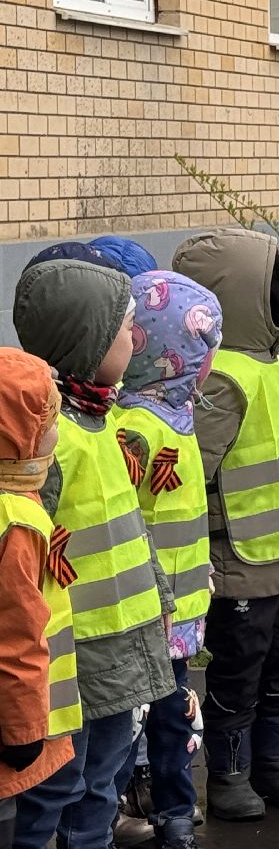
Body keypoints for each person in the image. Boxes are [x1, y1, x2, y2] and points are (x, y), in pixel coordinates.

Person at [11, 260, 174, 849]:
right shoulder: (52, 442)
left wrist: (159, 597)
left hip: (120, 642)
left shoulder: (106, 420)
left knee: (102, 776)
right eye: (126, 326)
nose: (138, 339)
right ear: (87, 338)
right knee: (58, 782)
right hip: (71, 654)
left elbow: (131, 526)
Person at [171, 230, 279, 819]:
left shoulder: (266, 364)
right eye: (278, 286)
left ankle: (276, 764)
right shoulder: (221, 378)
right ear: (247, 296)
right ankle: (232, 775)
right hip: (240, 564)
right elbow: (194, 473)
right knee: (240, 672)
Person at [112, 272, 223, 849]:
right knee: (147, 714)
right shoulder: (136, 430)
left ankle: (168, 811)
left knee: (161, 713)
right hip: (147, 609)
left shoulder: (164, 419)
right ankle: (154, 809)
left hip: (167, 607)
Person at [0, 351, 80, 849]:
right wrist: (25, 730)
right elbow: (17, 636)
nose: (57, 431)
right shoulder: (17, 522)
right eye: (49, 419)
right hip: (19, 725)